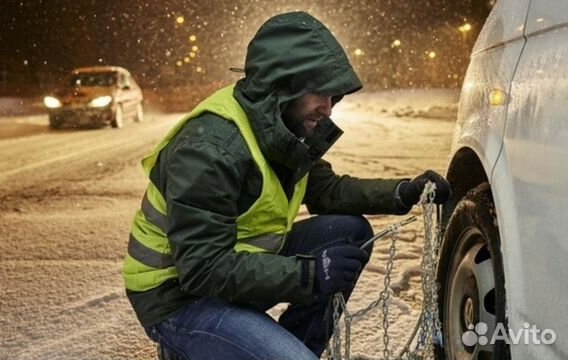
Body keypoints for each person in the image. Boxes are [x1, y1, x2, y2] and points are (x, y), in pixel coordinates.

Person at [122, 11, 450, 360]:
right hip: (178, 297)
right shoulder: (211, 149)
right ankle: (191, 345)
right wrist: (310, 273)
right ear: (282, 88)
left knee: (347, 229)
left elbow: (328, 191)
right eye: (319, 94)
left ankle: (283, 347)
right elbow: (202, 269)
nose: (328, 108)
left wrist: (403, 192)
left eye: (334, 97)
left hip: (236, 271)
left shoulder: (282, 128)